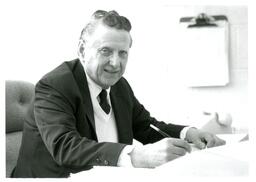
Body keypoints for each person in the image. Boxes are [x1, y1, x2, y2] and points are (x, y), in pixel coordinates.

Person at [12, 10, 225, 178]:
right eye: (106, 51)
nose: (116, 63)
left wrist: (187, 133)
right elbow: (65, 147)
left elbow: (145, 126)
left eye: (123, 53)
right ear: (82, 50)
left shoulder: (120, 86)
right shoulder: (55, 85)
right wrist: (136, 156)